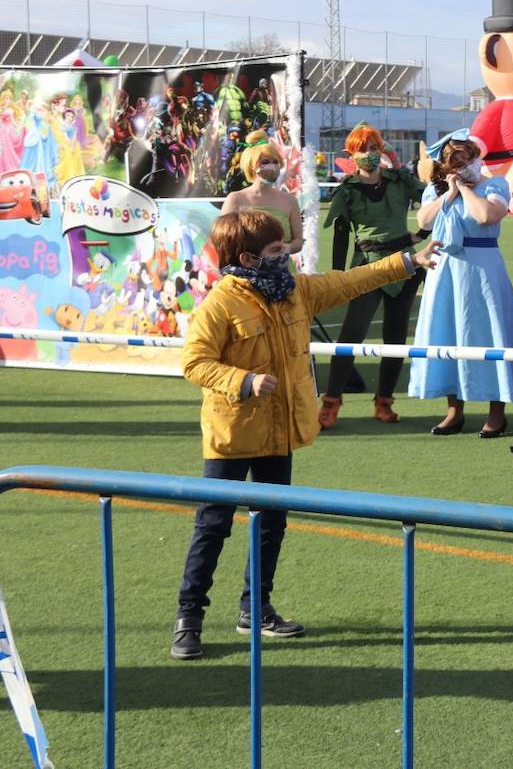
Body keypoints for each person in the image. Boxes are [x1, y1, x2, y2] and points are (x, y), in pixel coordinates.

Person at [171, 209, 439, 660]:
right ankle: (188, 618)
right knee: (213, 526)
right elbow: (194, 363)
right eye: (277, 250)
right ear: (248, 258)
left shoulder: (294, 290)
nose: (287, 255)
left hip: (283, 431)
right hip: (232, 433)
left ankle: (255, 610)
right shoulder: (220, 303)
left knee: (271, 524)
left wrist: (408, 261)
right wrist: (243, 381)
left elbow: (349, 281)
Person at [409, 133, 513, 437]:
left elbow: (486, 216)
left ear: (478, 158)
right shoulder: (436, 190)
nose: (464, 166)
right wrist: (448, 194)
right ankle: (455, 410)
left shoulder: (496, 185)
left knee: (489, 333)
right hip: (445, 270)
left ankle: (497, 412)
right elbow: (424, 222)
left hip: (483, 270)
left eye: (468, 159)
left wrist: (465, 190)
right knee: (449, 333)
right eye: (457, 163)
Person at [318, 123, 427, 428]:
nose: (369, 153)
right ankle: (331, 401)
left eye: (374, 147)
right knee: (352, 334)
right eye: (363, 148)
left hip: (405, 264)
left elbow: (431, 198)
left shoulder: (399, 181)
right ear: (351, 154)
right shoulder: (348, 191)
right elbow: (341, 236)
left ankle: (384, 401)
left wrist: (421, 234)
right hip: (367, 266)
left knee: (395, 337)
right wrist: (338, 276)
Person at [220, 131, 303, 254]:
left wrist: (284, 249)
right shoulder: (235, 199)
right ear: (251, 165)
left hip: (280, 270)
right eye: (265, 162)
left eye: (275, 162)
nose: (272, 166)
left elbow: (298, 241)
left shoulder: (290, 201)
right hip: (246, 269)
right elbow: (223, 239)